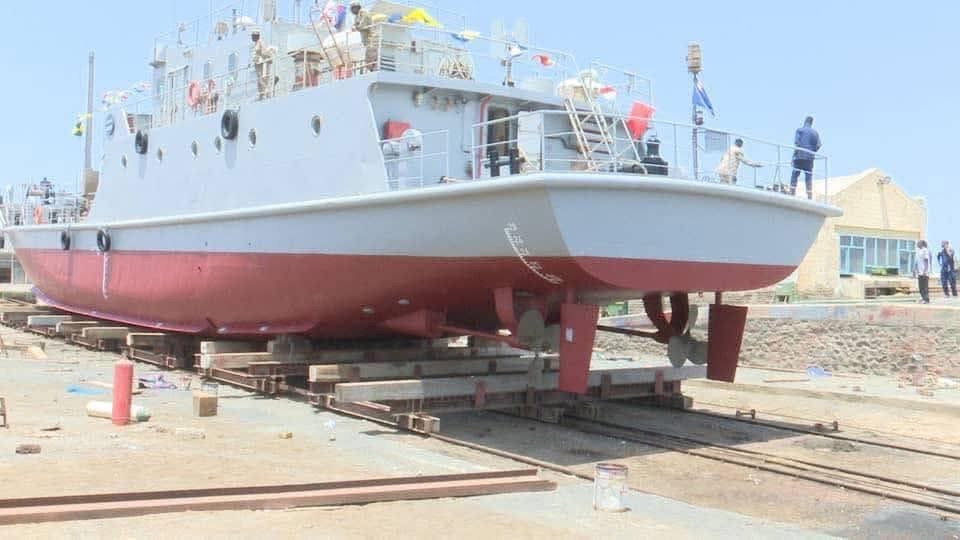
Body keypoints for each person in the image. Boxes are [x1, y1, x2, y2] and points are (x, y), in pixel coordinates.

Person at [790, 116, 821, 200]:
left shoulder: (800, 130)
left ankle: (792, 191)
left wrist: (793, 157)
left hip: (799, 156)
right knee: (808, 176)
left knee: (795, 174)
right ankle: (809, 194)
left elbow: (797, 143)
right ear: (811, 123)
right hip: (809, 158)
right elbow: (818, 145)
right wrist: (812, 151)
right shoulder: (815, 133)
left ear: (805, 121)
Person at [351, 1, 380, 72]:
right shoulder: (357, 16)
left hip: (372, 38)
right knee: (369, 56)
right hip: (367, 40)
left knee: (371, 55)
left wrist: (356, 27)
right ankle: (372, 69)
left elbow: (363, 24)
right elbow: (355, 25)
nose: (351, 11)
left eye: (352, 8)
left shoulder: (364, 13)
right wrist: (355, 26)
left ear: (356, 7)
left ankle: (374, 69)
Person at [251, 29, 276, 100]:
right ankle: (262, 94)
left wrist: (259, 57)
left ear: (256, 36)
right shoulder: (256, 43)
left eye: (253, 36)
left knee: (263, 79)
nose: (252, 37)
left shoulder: (260, 43)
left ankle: (265, 94)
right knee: (260, 80)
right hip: (258, 64)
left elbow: (264, 52)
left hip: (262, 64)